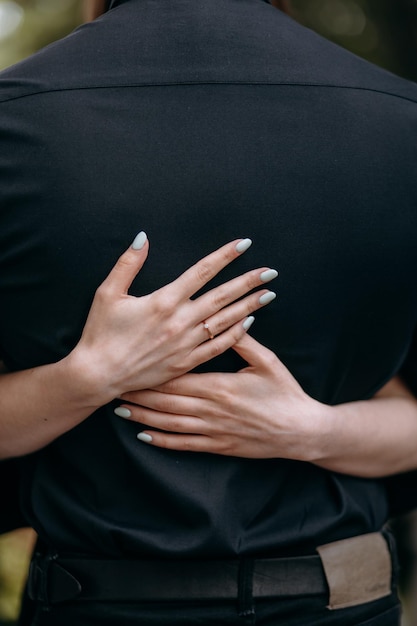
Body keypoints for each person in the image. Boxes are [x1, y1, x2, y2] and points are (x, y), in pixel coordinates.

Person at [0, 0, 417, 624]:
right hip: (341, 605)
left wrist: (310, 432)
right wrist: (89, 375)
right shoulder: (401, 123)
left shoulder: (14, 123)